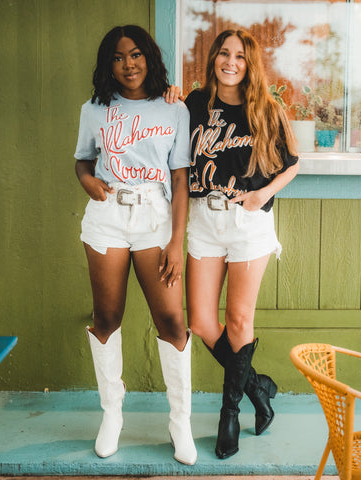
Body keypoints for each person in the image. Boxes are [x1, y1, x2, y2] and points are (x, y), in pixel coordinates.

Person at [74, 25, 196, 466]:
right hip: (107, 217)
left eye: (137, 54)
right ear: (110, 64)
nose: (129, 64)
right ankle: (112, 415)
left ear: (150, 58)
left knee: (171, 319)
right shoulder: (94, 108)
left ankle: (179, 422)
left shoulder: (174, 110)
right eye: (120, 57)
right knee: (106, 316)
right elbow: (82, 160)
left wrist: (176, 241)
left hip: (154, 218)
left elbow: (180, 178)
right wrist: (89, 182)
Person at [184, 29, 299, 459]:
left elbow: (292, 164)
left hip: (247, 222)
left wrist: (261, 194)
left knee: (237, 320)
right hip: (204, 220)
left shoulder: (267, 109)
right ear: (214, 58)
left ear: (250, 64)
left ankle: (229, 413)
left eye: (240, 57)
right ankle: (256, 386)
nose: (230, 62)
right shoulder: (195, 104)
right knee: (200, 321)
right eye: (224, 54)